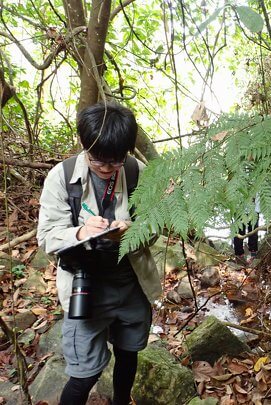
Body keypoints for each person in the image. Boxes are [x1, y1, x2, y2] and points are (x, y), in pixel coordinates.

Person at [37, 102, 162, 405]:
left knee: (128, 354)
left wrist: (130, 230)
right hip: (86, 287)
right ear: (84, 145)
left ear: (127, 152)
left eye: (115, 162)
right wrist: (80, 233)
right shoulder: (61, 177)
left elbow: (154, 224)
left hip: (130, 282)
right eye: (98, 162)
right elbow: (47, 237)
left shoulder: (137, 173)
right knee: (84, 373)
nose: (107, 170)